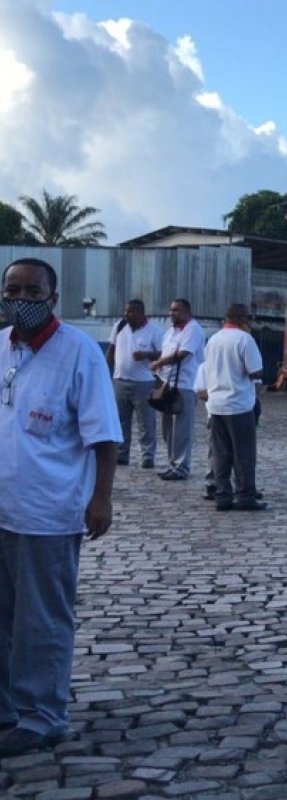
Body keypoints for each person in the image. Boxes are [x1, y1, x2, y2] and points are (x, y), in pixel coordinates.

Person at [0, 257, 121, 757]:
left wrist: (102, 498)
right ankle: (7, 708)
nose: (22, 299)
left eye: (33, 291)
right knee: (2, 617)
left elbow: (104, 435)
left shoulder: (79, 354)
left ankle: (43, 714)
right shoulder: (1, 345)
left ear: (53, 298)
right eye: (13, 289)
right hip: (1, 509)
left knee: (42, 619)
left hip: (48, 514)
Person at [202, 304, 266, 511]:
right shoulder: (245, 339)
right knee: (244, 454)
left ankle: (223, 496)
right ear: (241, 319)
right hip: (238, 404)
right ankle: (245, 496)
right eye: (248, 318)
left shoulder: (213, 339)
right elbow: (255, 371)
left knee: (221, 454)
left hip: (216, 404)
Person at [150, 298, 205, 480]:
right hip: (168, 385)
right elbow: (166, 353)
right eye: (171, 310)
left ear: (187, 312)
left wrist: (159, 362)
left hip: (185, 385)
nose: (172, 313)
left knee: (182, 429)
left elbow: (183, 354)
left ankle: (181, 467)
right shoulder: (170, 332)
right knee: (168, 429)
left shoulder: (193, 329)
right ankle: (172, 463)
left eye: (177, 310)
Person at [106, 299, 163, 469]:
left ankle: (147, 456)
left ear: (140, 313)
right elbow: (112, 348)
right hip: (120, 380)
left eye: (130, 311)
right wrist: (107, 365)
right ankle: (121, 454)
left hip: (144, 382)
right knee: (121, 421)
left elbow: (162, 353)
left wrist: (146, 354)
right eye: (125, 311)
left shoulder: (154, 331)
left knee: (146, 422)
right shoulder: (119, 326)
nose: (126, 314)